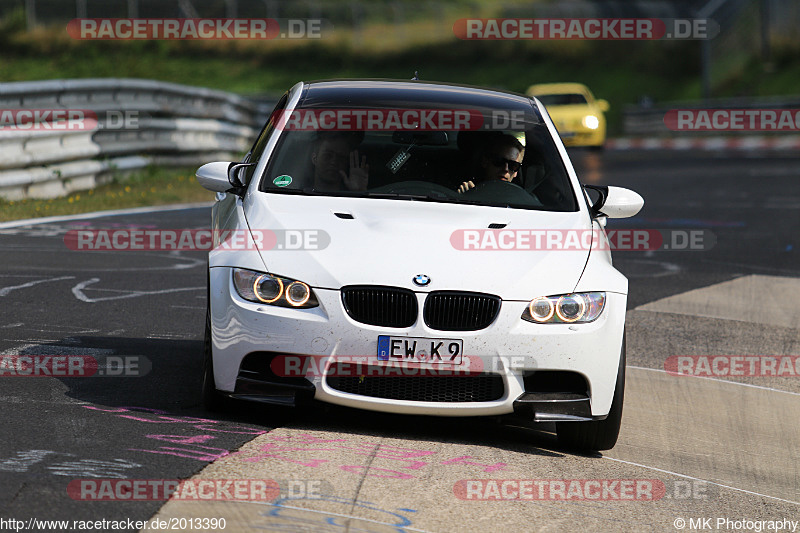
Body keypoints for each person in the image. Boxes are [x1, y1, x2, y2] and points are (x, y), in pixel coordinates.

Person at [457, 133, 524, 193]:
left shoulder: (523, 203)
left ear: (516, 172)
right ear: (485, 162)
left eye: (513, 165)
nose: (505, 169)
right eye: (499, 161)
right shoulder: (468, 191)